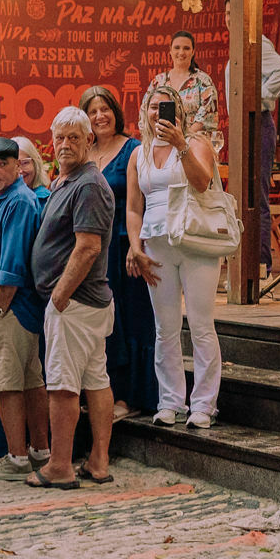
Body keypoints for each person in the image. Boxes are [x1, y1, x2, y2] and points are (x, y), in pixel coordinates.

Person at [27, 108, 116, 488]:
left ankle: (60, 466)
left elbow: (88, 247)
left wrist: (59, 297)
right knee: (96, 380)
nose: (65, 144)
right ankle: (98, 463)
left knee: (63, 385)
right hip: (82, 303)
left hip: (75, 303)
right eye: (60, 137)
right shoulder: (69, 179)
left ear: (88, 141)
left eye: (74, 138)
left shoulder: (88, 185)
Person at [130, 82, 222, 429]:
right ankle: (170, 400)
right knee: (165, 328)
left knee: (200, 324)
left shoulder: (197, 143)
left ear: (179, 113)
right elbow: (133, 207)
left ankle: (203, 404)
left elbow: (202, 182)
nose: (159, 113)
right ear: (145, 112)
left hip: (195, 241)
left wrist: (182, 144)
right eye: (154, 106)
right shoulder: (139, 153)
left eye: (166, 107)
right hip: (156, 244)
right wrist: (135, 246)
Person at [0, 136, 50, 480]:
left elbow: (13, 265)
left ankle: (16, 458)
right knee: (30, 381)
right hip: (11, 308)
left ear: (19, 166)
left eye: (2, 163)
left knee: (7, 384)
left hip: (11, 308)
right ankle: (39, 451)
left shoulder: (18, 201)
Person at [79, 84, 158, 420]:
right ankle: (101, 392)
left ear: (117, 112)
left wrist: (137, 246)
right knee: (99, 324)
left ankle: (130, 395)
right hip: (91, 251)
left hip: (125, 247)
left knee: (130, 321)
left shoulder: (133, 150)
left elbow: (141, 203)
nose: (100, 116)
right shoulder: (82, 153)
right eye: (93, 111)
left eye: (105, 109)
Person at [225, 34, 280, 267]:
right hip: (241, 124)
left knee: (257, 197)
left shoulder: (255, 41)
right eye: (226, 14)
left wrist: (257, 97)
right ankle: (243, 264)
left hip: (257, 120)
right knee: (241, 197)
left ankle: (261, 265)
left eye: (231, 13)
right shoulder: (239, 45)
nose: (228, 19)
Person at [144, 30, 220, 153]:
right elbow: (145, 112)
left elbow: (206, 116)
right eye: (177, 48)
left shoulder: (203, 81)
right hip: (161, 145)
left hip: (194, 146)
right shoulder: (158, 81)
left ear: (193, 51)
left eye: (186, 48)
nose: (181, 52)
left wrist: (180, 139)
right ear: (170, 50)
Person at [14, 135, 51, 202]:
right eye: (15, 165)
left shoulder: (42, 200)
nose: (20, 171)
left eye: (25, 163)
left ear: (35, 164)